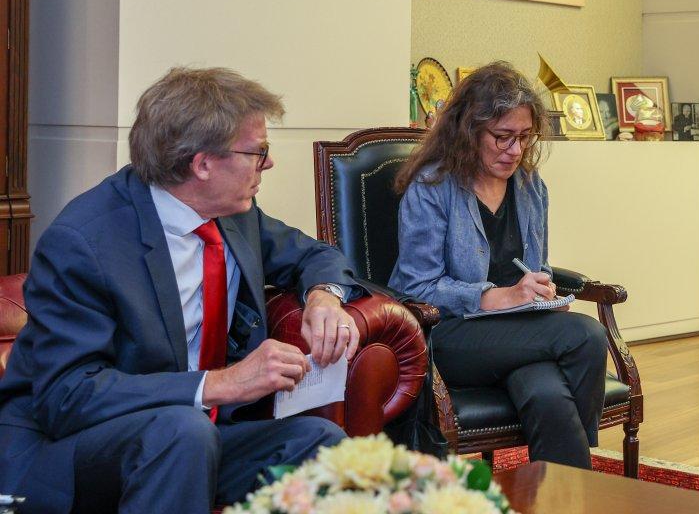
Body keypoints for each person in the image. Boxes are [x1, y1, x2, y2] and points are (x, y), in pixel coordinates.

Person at [0, 67, 364, 513]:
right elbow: (67, 397)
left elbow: (314, 254)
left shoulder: (234, 213)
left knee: (320, 444)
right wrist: (220, 383)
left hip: (192, 436)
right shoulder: (84, 242)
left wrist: (324, 296)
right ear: (203, 164)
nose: (267, 164)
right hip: (71, 450)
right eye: (259, 151)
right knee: (182, 432)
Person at [389, 62, 607, 469]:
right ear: (469, 130)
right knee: (587, 335)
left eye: (525, 137)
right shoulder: (432, 187)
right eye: (503, 137)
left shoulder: (530, 185)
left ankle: (573, 494)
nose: (515, 150)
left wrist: (541, 291)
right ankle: (587, 455)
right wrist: (497, 296)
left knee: (548, 395)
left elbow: (537, 265)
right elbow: (415, 288)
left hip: (518, 335)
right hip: (451, 336)